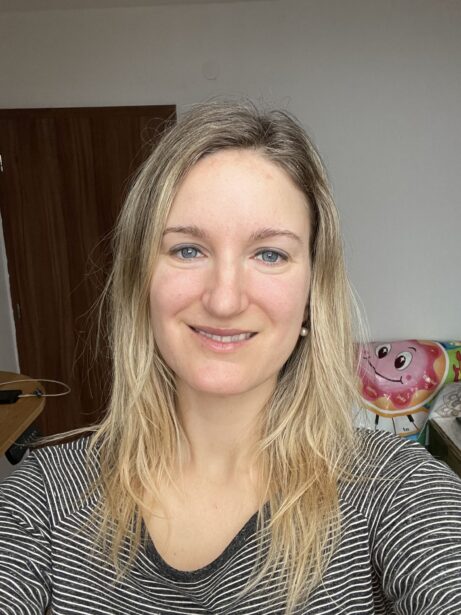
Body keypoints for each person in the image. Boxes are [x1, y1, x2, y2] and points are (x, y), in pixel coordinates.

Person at [0, 101, 460, 615]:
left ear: (312, 293)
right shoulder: (43, 498)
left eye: (270, 254)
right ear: (140, 282)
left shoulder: (397, 490)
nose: (224, 300)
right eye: (187, 249)